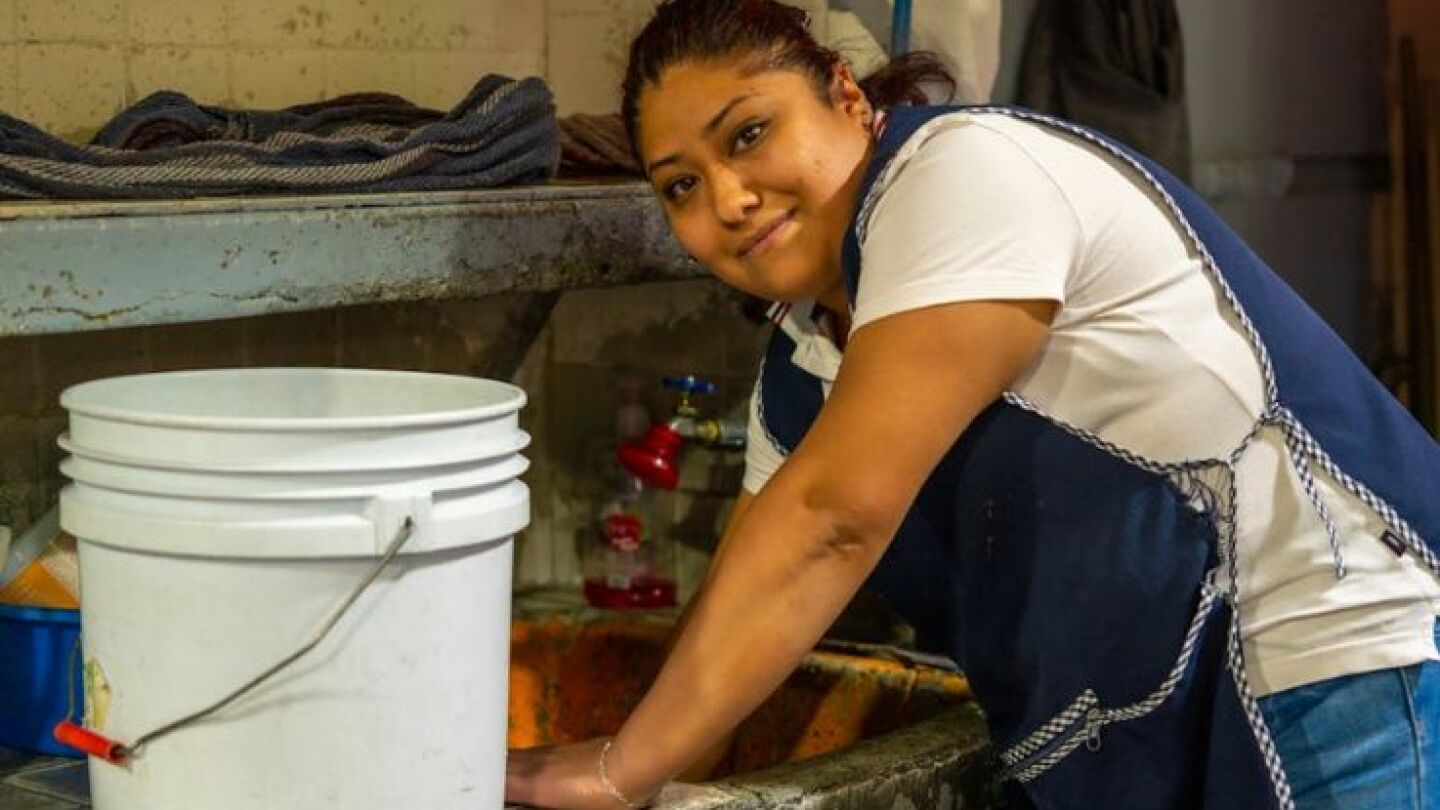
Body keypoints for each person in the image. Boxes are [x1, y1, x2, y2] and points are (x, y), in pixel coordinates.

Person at [506, 1, 1440, 808]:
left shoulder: (960, 175)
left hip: (1334, 653)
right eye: (682, 186)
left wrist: (620, 770)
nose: (731, 199)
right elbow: (746, 609)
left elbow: (831, 521)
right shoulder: (802, 371)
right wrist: (628, 776)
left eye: (747, 134)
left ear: (843, 91)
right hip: (1178, 711)